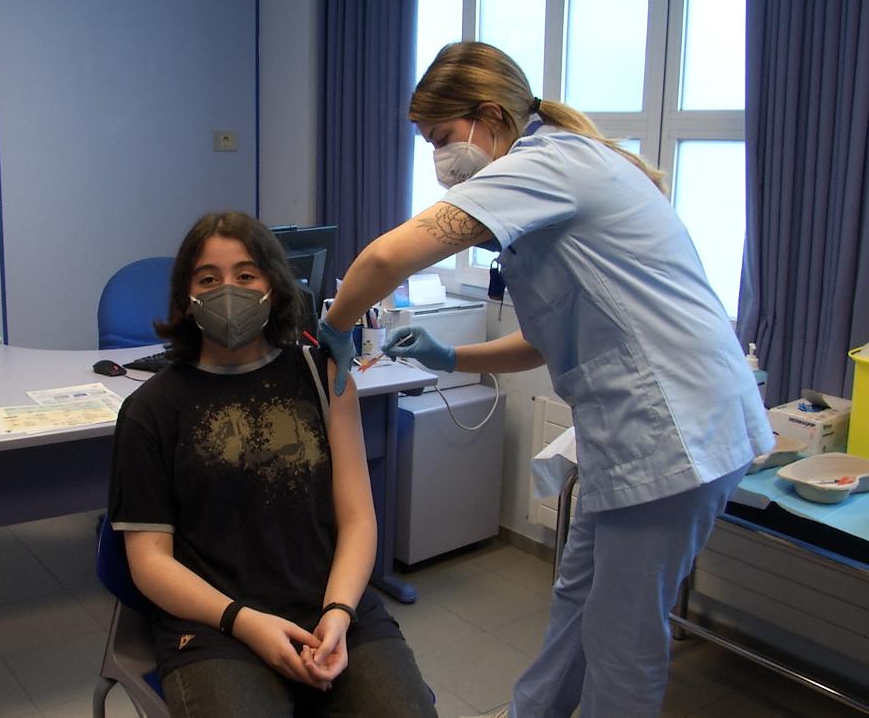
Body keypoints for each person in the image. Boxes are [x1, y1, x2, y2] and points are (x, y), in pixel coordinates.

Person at [317, 42, 774, 718]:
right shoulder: (556, 172)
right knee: (576, 606)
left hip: (673, 437)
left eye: (441, 138)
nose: (438, 158)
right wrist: (449, 358)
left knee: (622, 642)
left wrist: (335, 326)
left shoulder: (544, 163)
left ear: (490, 115)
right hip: (640, 434)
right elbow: (540, 341)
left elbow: (387, 254)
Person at [107, 211, 436, 718]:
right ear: (186, 297)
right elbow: (149, 562)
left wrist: (339, 612)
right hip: (217, 625)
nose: (228, 290)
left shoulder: (324, 376)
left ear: (274, 287)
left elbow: (357, 519)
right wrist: (244, 622)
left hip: (330, 603)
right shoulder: (152, 409)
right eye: (208, 279)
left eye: (245, 275)